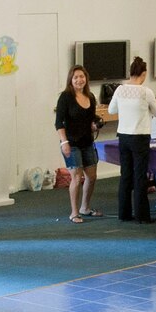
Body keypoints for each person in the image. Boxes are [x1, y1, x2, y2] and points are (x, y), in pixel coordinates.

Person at [109, 58, 156, 224]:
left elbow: (111, 110)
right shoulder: (146, 92)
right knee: (140, 177)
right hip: (140, 137)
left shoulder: (119, 90)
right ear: (143, 74)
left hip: (123, 136)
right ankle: (142, 216)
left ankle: (123, 213)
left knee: (125, 175)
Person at [53, 65, 102, 223]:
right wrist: (64, 142)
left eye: (82, 77)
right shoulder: (65, 97)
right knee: (76, 177)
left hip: (87, 141)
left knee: (92, 176)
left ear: (86, 78)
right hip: (71, 143)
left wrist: (95, 125)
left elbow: (90, 119)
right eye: (76, 77)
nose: (79, 80)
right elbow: (58, 122)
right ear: (71, 80)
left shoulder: (91, 97)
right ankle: (74, 212)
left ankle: (85, 208)